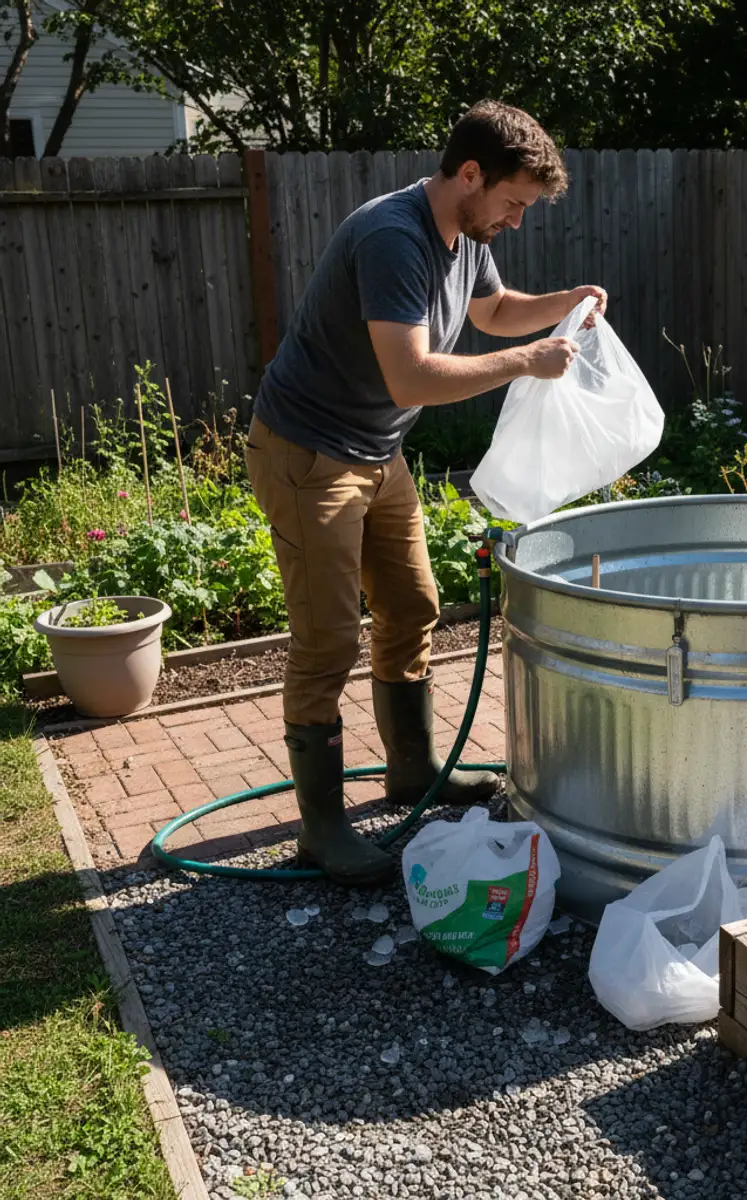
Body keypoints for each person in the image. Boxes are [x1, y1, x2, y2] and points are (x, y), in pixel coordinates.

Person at [245, 100, 607, 887]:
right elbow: (409, 373)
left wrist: (567, 303)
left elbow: (494, 311)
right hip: (308, 453)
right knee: (328, 640)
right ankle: (322, 829)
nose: (514, 220)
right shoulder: (393, 238)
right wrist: (523, 363)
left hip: (378, 450)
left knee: (412, 608)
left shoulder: (465, 234)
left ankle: (411, 771)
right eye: (513, 203)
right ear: (469, 174)